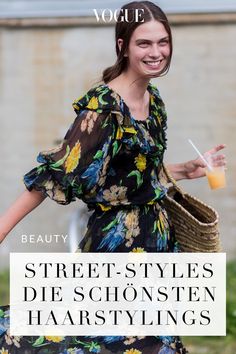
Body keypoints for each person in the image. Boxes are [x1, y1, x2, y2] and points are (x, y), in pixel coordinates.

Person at [0, 1, 226, 353]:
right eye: (144, 43)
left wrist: (185, 169)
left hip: (158, 245)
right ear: (122, 46)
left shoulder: (154, 101)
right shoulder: (103, 108)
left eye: (163, 42)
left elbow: (135, 179)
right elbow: (55, 177)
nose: (157, 52)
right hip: (117, 247)